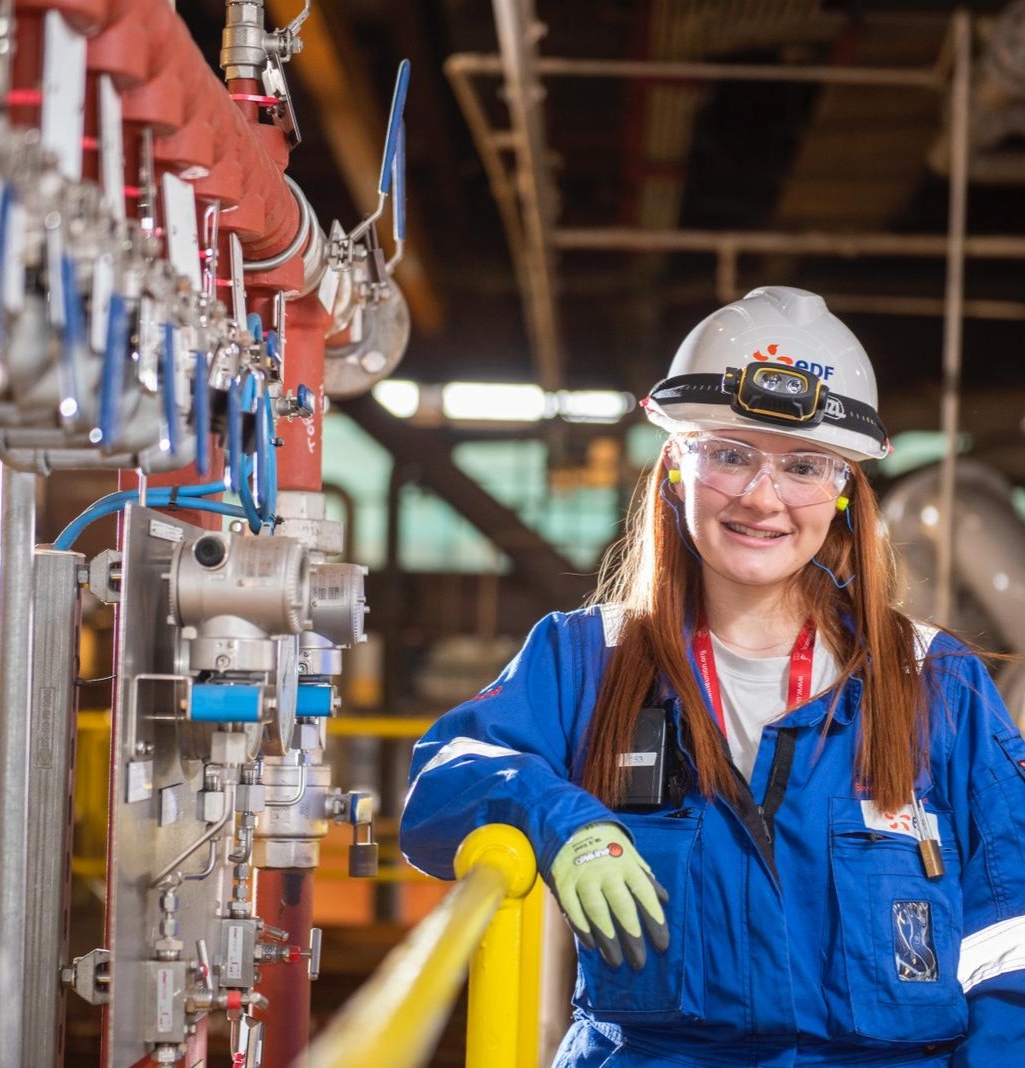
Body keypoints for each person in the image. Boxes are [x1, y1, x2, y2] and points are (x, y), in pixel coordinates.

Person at [399, 286, 1025, 1066]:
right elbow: (439, 785)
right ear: (674, 467)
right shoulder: (587, 659)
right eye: (729, 454)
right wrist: (562, 822)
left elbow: (1013, 936)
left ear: (841, 491)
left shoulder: (936, 681)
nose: (762, 498)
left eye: (803, 465)